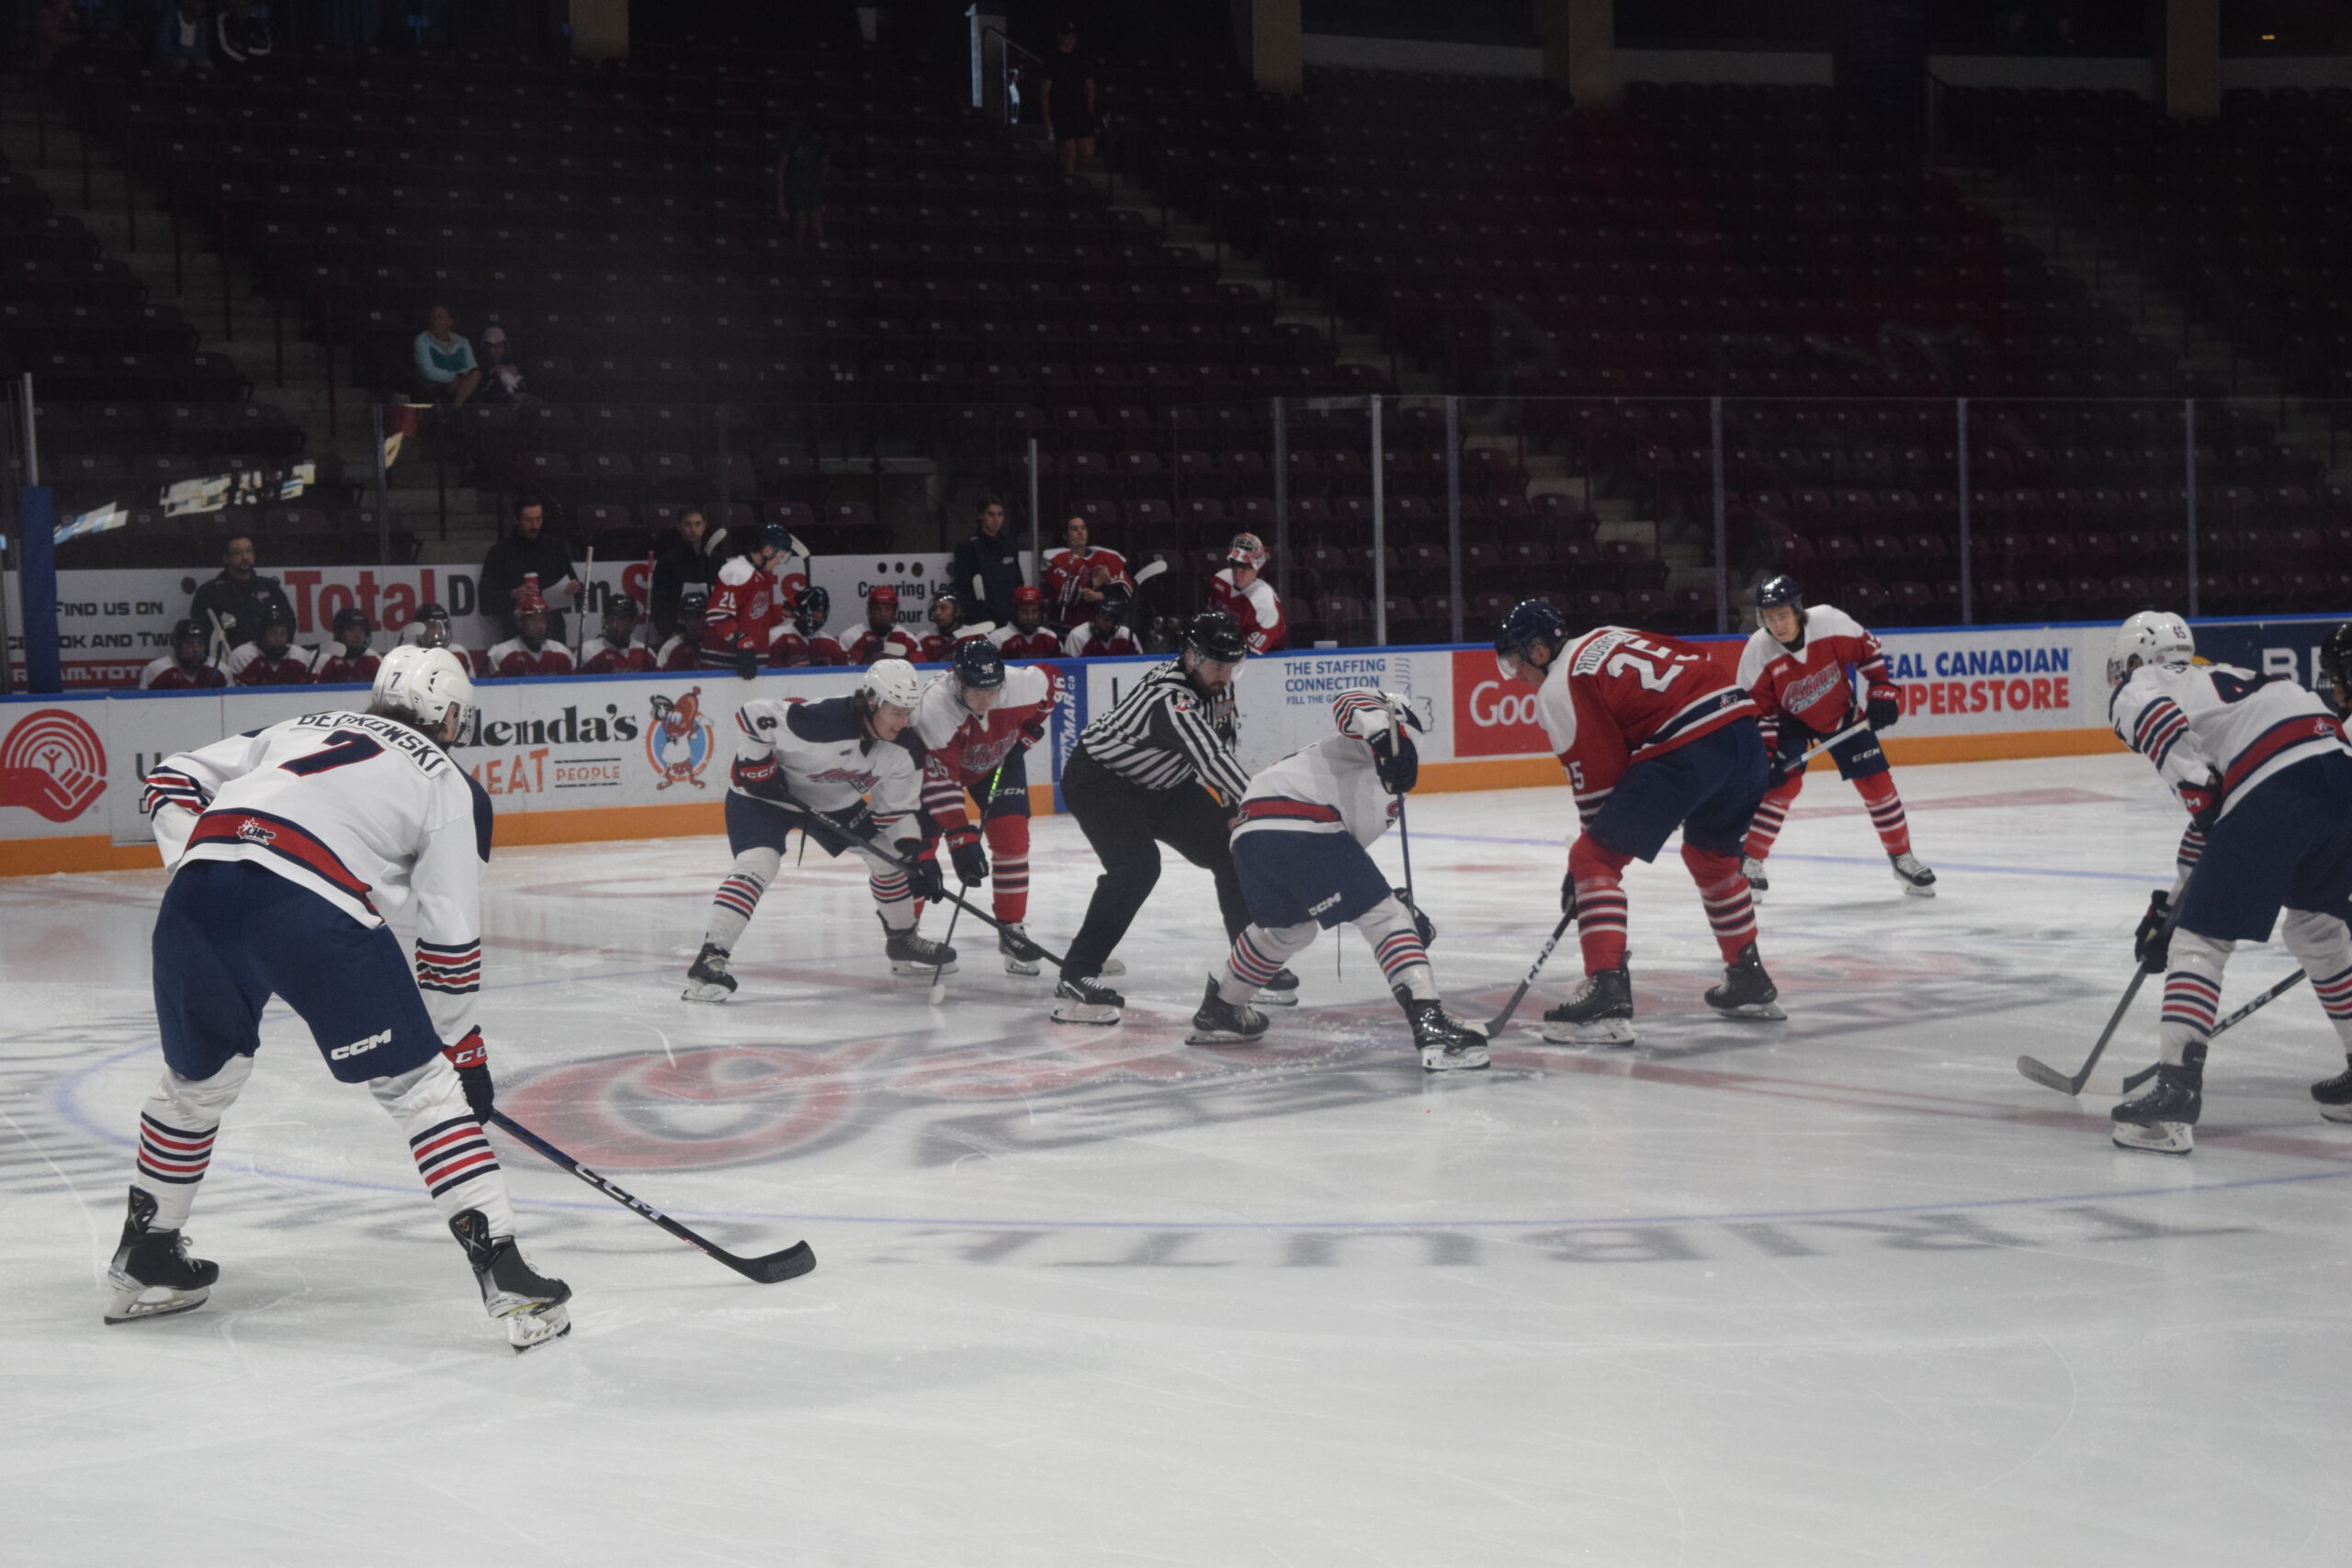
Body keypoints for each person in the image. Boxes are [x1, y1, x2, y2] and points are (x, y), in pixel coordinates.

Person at [122, 647, 570, 1349]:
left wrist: (193, 860)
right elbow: (449, 938)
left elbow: (170, 776)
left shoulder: (300, 723)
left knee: (196, 1083)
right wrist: (459, 1050)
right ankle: (507, 1275)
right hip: (307, 906)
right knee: (424, 1089)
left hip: (196, 899)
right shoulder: (445, 777)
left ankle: (145, 1256)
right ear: (448, 715)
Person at [2102, 612, 2352, 1156]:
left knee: (2201, 940)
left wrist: (2193, 787)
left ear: (2135, 659)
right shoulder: (2228, 682)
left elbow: (2175, 750)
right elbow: (2213, 827)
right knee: (2317, 930)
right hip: (2340, 774)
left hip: (2277, 783)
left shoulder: (2143, 684)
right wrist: (2169, 906)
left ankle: (2174, 1095)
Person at [1493, 600, 1781, 1046]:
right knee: (1711, 856)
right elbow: (1693, 659)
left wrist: (1587, 872)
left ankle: (1606, 991)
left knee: (1593, 857)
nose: (1518, 677)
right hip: (1744, 733)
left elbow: (1598, 782)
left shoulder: (1558, 688)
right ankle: (1748, 977)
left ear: (1540, 651)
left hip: (1689, 745)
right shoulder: (1607, 632)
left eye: (1517, 663)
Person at [1200, 690, 1488, 1071]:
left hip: (1252, 833)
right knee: (1385, 917)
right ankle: (1431, 1024)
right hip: (1298, 821)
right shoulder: (1397, 732)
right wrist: (1387, 736)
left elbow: (1338, 858)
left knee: (1289, 931)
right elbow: (1351, 701)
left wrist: (1385, 895)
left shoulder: (1366, 780)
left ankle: (1222, 1007)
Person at [1051, 610, 1291, 1024]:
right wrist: (1268, 804)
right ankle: (1075, 975)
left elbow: (1223, 743)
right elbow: (1210, 757)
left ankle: (1249, 962)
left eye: (1233, 665)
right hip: (1101, 783)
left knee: (1232, 850)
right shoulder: (1170, 697)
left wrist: (1236, 811)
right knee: (1137, 868)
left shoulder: (1216, 684)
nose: (1226, 675)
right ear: (1191, 657)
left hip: (1165, 785)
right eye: (1218, 665)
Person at [681, 660, 954, 1000]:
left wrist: (918, 856)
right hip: (766, 799)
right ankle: (710, 959)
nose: (905, 722)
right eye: (897, 712)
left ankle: (902, 941)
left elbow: (896, 811)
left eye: (908, 712)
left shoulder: (904, 748)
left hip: (833, 803)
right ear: (872, 702)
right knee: (758, 864)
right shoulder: (823, 720)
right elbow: (752, 715)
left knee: (891, 859)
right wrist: (756, 767)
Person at [1736, 576, 1936, 898]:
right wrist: (1768, 752)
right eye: (1769, 618)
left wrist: (1882, 691)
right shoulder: (1758, 649)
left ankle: (1902, 857)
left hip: (1839, 711)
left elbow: (1868, 651)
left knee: (1877, 783)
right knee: (1783, 784)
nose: (1777, 625)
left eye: (1783, 616)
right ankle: (1750, 860)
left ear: (1798, 611)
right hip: (1789, 721)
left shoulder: (1829, 622)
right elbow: (1760, 709)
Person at [914, 642, 1058, 976]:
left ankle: (1012, 930)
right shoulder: (933, 708)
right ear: (957, 683)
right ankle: (906, 936)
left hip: (997, 762)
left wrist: (1027, 733)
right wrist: (961, 838)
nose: (986, 700)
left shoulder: (1023, 684)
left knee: (1013, 839)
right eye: (976, 692)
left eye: (993, 691)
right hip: (932, 770)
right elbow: (942, 784)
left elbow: (1053, 682)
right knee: (920, 848)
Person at [478, 499, 580, 644]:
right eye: (528, 520)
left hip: (553, 634)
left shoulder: (555, 548)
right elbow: (485, 601)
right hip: (516, 637)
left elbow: (577, 590)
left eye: (538, 519)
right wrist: (512, 594)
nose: (534, 526)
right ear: (516, 520)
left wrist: (573, 588)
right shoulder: (499, 553)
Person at [704, 524, 797, 676]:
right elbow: (717, 617)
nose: (779, 562)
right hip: (724, 667)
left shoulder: (761, 575)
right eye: (780, 556)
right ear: (767, 550)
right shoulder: (737, 571)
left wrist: (788, 608)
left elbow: (758, 619)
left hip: (751, 665)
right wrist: (742, 642)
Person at [188, 533, 295, 660]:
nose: (245, 557)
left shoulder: (270, 587)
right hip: (228, 659)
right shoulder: (210, 591)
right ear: (226, 558)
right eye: (237, 553)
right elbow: (201, 632)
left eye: (249, 551)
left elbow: (289, 622)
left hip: (271, 658)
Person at [1042, 514, 1131, 631]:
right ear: (1065, 536)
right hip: (1066, 628)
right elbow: (1065, 595)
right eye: (1074, 529)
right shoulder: (1054, 558)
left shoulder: (1108, 557)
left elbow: (1123, 590)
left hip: (1099, 628)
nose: (1080, 532)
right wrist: (1096, 582)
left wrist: (1101, 596)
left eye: (1083, 528)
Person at [650, 508, 726, 642]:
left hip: (712, 634)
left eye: (697, 524)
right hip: (678, 636)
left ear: (704, 525)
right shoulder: (667, 562)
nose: (693, 529)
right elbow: (659, 603)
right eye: (688, 524)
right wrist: (668, 632)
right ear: (679, 526)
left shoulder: (717, 561)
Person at [950, 496, 1024, 628]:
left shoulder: (1010, 546)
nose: (996, 519)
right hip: (980, 620)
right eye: (991, 514)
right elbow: (963, 587)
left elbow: (1018, 582)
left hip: (1008, 618)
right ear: (981, 516)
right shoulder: (968, 546)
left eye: (1000, 515)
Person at [1207, 533, 1286, 654]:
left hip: (1267, 660)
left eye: (1243, 571)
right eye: (1235, 569)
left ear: (1256, 570)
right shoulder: (1220, 580)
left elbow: (1250, 651)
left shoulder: (1265, 602)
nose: (1237, 576)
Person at [1039, 21, 1098, 176]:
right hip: (1061, 111)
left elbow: (1090, 87)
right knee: (1069, 150)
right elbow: (1045, 92)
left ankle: (1067, 173)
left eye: (1072, 36)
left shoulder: (1082, 59)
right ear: (1060, 37)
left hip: (1080, 111)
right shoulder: (1052, 60)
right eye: (1066, 36)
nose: (1069, 40)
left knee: (1087, 151)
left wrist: (1088, 112)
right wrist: (1047, 119)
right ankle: (1068, 185)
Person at [487, 588, 577, 678]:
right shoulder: (502, 653)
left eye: (543, 620)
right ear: (520, 622)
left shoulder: (561, 652)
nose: (540, 625)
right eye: (533, 620)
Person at [774, 121, 834, 250]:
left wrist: (819, 185)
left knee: (818, 228)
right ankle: (798, 253)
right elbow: (781, 170)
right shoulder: (793, 135)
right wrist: (781, 205)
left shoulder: (826, 139)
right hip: (794, 183)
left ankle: (818, 257)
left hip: (812, 184)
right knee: (801, 222)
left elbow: (825, 164)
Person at [413, 304, 482, 408]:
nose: (435, 321)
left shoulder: (463, 341)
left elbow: (471, 367)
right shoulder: (422, 340)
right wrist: (454, 378)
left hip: (461, 385)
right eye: (432, 317)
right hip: (435, 388)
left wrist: (460, 378)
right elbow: (427, 371)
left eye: (440, 317)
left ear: (450, 321)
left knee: (476, 374)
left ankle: (455, 408)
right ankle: (456, 411)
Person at [225, 610, 314, 686]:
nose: (278, 639)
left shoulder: (300, 657)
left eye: (283, 634)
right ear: (262, 634)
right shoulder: (242, 657)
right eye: (273, 633)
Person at [396, 602, 481, 677]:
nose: (439, 631)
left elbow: (472, 685)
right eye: (432, 627)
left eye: (442, 626)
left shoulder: (458, 652)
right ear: (419, 629)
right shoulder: (408, 653)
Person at [769, 586, 849, 668]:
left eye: (820, 610)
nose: (815, 614)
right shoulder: (778, 637)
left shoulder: (831, 644)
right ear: (800, 609)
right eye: (811, 609)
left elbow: (845, 676)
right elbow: (769, 676)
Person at [846, 583, 923, 666]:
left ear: (894, 612)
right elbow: (843, 673)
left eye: (888, 609)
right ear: (869, 611)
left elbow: (921, 670)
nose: (882, 614)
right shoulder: (851, 637)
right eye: (877, 609)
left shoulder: (907, 638)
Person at [141, 619, 226, 691]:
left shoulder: (220, 670)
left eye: (200, 643)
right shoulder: (156, 670)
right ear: (177, 645)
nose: (196, 649)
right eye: (189, 643)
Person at [577, 595, 652, 675]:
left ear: (633, 623)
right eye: (611, 618)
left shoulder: (645, 653)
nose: (614, 624)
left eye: (621, 619)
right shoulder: (586, 651)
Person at [1062, 589, 1140, 658]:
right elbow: (1069, 669)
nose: (1100, 622)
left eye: (1106, 620)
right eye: (1098, 617)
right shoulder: (1077, 636)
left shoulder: (1126, 636)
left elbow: (1141, 665)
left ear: (1116, 622)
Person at [990, 585, 1063, 659]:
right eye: (1024, 612)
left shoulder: (1050, 637)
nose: (1030, 617)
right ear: (1015, 613)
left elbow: (1063, 666)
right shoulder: (997, 639)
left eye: (1034, 611)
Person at [915, 588, 986, 663]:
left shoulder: (975, 636)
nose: (937, 613)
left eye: (943, 608)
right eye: (935, 608)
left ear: (957, 611)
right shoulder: (924, 638)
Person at [313, 609, 380, 685]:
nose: (358, 636)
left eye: (362, 630)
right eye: (351, 630)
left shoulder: (373, 658)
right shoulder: (325, 658)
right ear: (340, 632)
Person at [657, 589, 709, 671]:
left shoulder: (716, 645)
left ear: (707, 618)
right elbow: (660, 681)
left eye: (697, 617)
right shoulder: (670, 647)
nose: (692, 623)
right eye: (688, 618)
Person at [210, 0, 270, 68]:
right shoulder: (223, 19)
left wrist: (245, 48)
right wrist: (244, 58)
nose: (242, 9)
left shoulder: (257, 21)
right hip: (228, 67)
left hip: (254, 65)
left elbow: (266, 48)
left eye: (246, 5)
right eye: (239, 5)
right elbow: (225, 46)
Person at [30, 0, 84, 75]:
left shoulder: (70, 17)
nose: (71, 3)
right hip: (49, 63)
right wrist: (78, 38)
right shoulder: (46, 14)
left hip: (67, 63)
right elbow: (55, 38)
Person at [154, 0, 210, 72]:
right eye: (198, 2)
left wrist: (189, 53)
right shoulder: (170, 20)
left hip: (194, 60)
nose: (202, 6)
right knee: (182, 62)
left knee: (206, 63)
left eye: (203, 3)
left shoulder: (200, 25)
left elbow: (203, 51)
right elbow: (165, 50)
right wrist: (190, 51)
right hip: (170, 61)